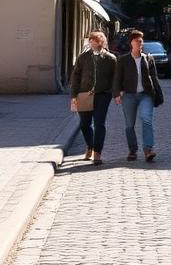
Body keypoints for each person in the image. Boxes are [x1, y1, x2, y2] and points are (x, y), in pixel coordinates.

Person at [114, 30, 163, 163]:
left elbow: (154, 77)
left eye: (141, 41)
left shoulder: (148, 58)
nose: (139, 43)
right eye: (137, 41)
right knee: (130, 125)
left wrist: (157, 93)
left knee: (146, 119)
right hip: (129, 95)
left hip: (145, 95)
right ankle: (132, 150)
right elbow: (117, 78)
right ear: (131, 43)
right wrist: (117, 93)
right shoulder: (123, 60)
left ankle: (148, 149)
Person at [70, 30, 117, 166]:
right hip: (84, 94)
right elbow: (76, 76)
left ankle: (97, 152)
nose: (92, 43)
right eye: (90, 40)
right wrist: (74, 95)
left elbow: (115, 78)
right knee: (84, 124)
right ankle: (90, 145)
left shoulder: (110, 58)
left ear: (101, 42)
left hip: (103, 94)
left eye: (95, 40)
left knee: (99, 123)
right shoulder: (83, 57)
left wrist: (115, 93)